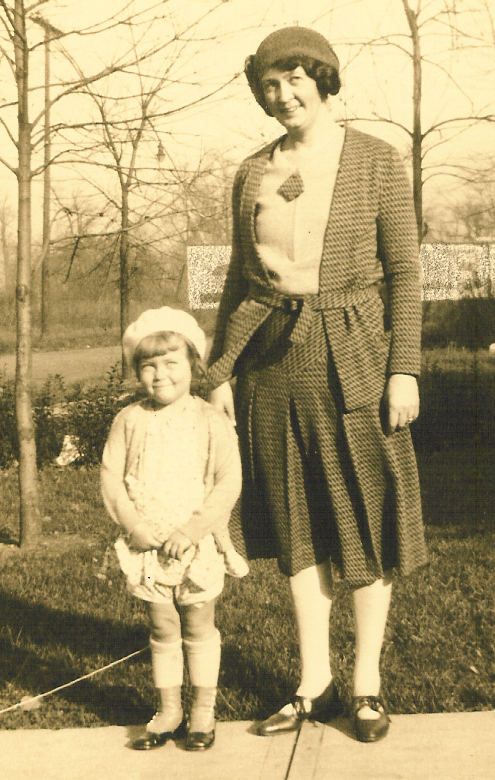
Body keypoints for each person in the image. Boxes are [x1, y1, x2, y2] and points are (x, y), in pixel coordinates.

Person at [208, 27, 427, 743]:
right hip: (270, 363)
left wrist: (403, 367)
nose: (282, 96)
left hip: (354, 354)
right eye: (269, 85)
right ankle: (314, 683)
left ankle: (365, 685)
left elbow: (406, 272)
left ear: (323, 79)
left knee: (364, 517)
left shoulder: (375, 159)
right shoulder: (253, 171)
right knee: (295, 523)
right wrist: (219, 373)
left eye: (295, 79)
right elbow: (240, 280)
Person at [101, 306, 246, 752]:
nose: (160, 375)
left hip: (195, 546)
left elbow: (228, 481)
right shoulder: (129, 420)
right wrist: (133, 526)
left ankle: (203, 709)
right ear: (136, 372)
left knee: (198, 622)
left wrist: (195, 530)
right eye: (148, 366)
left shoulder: (210, 419)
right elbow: (111, 478)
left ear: (193, 365)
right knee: (162, 625)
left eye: (170, 363)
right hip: (148, 547)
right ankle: (169, 710)